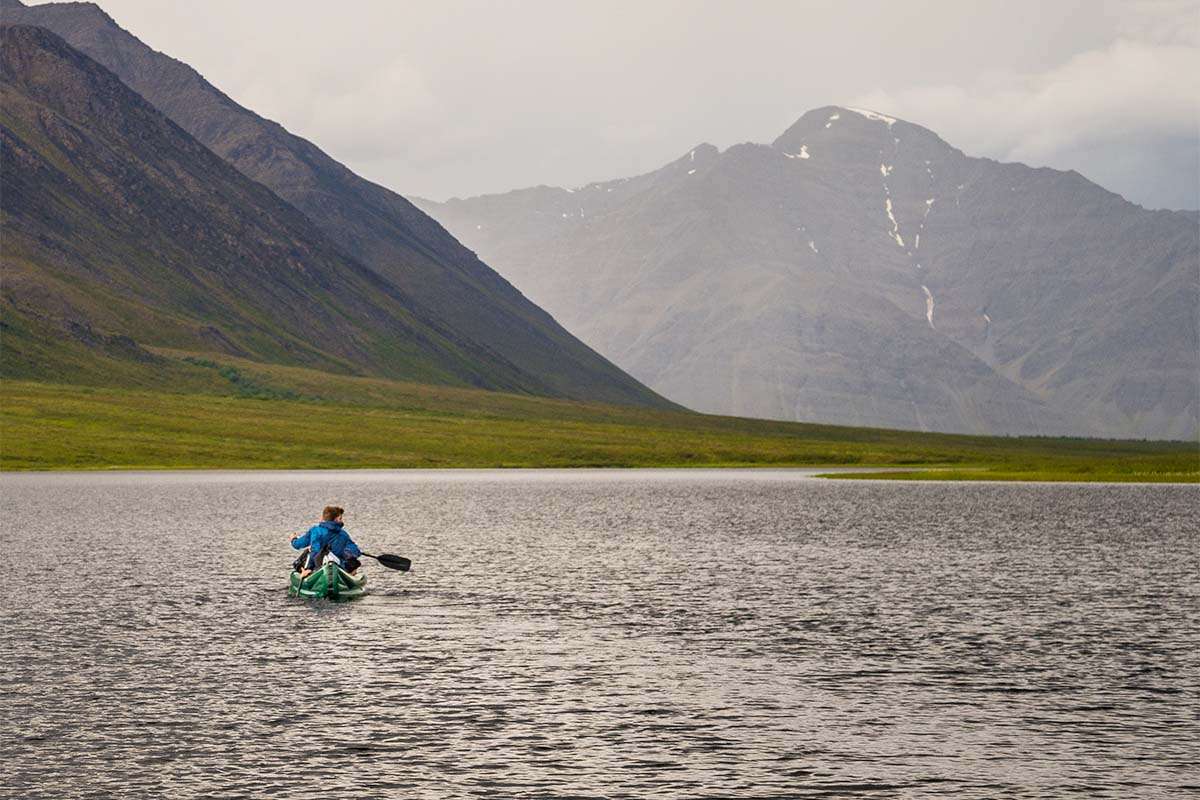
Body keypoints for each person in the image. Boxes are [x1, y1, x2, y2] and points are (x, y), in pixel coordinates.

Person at [291, 505, 363, 576]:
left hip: (316, 566)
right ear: (337, 519)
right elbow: (355, 551)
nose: (342, 521)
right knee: (351, 563)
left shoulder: (315, 530)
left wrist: (293, 539)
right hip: (337, 566)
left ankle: (306, 571)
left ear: (323, 518)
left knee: (309, 552)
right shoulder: (343, 534)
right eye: (341, 518)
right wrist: (353, 552)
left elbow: (297, 545)